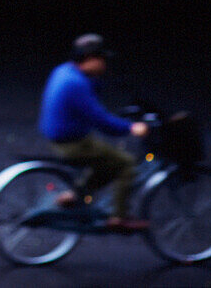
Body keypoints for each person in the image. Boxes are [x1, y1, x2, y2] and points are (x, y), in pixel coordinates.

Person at [38, 33, 150, 231]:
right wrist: (131, 128)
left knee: (107, 164)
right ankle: (119, 217)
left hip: (61, 137)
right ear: (90, 59)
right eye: (102, 59)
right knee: (125, 164)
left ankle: (75, 196)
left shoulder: (64, 71)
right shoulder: (76, 84)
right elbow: (101, 120)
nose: (105, 64)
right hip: (73, 143)